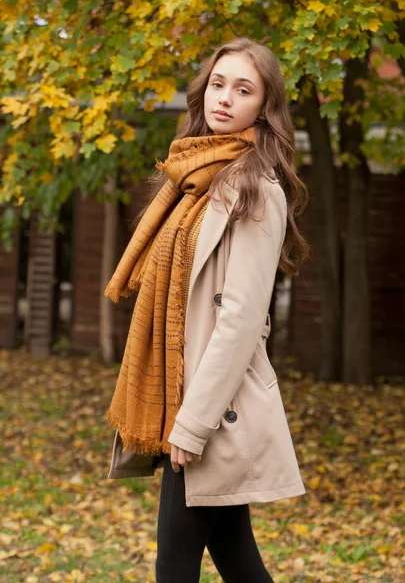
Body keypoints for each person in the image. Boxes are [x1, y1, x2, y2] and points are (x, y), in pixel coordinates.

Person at [104, 37, 309, 583]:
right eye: (218, 84)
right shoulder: (191, 176)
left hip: (210, 405)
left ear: (263, 107)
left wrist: (191, 425)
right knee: (236, 558)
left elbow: (239, 319)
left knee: (174, 565)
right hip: (181, 390)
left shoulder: (255, 188)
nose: (225, 98)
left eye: (243, 89)